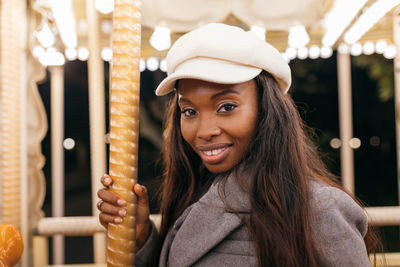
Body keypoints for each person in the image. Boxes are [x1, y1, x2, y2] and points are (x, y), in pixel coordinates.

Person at [97, 23, 379, 267]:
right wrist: (142, 238)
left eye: (226, 106)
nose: (204, 131)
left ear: (267, 110)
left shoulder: (319, 209)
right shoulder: (194, 192)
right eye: (189, 112)